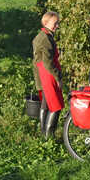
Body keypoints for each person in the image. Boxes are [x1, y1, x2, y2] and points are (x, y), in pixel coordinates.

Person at [32, 11, 64, 139]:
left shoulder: (43, 35)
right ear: (46, 23)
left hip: (42, 73)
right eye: (55, 23)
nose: (57, 26)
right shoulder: (45, 38)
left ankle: (43, 133)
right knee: (56, 106)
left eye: (57, 23)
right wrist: (58, 77)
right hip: (48, 74)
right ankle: (49, 136)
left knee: (45, 104)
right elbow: (47, 63)